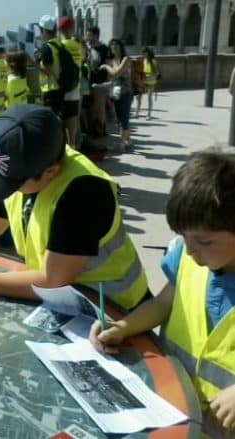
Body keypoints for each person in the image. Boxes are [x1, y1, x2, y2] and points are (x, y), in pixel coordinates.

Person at [0, 105, 149, 311]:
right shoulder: (26, 162)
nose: (7, 188)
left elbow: (53, 278)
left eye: (12, 183)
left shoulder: (85, 193)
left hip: (112, 309)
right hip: (64, 298)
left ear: (50, 171)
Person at [89, 148, 235, 438]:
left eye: (204, 241)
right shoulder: (186, 256)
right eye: (184, 236)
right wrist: (125, 326)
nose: (190, 249)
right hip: (177, 415)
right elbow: (166, 301)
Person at [99, 38, 134, 152]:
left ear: (121, 47)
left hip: (126, 93)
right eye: (112, 46)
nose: (114, 48)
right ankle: (128, 141)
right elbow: (112, 78)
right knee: (120, 119)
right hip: (116, 93)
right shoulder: (113, 60)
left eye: (116, 46)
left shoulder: (126, 59)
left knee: (124, 118)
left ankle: (122, 145)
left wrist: (106, 67)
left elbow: (116, 73)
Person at [58, 16, 82, 147]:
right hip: (75, 88)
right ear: (72, 28)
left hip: (61, 89)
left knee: (61, 128)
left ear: (60, 29)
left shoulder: (61, 45)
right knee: (72, 131)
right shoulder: (78, 46)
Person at [36, 15, 65, 116]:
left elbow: (48, 71)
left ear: (43, 31)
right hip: (60, 86)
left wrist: (33, 62)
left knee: (51, 119)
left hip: (50, 89)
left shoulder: (47, 48)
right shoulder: (59, 44)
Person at [86, 26, 110, 138]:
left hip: (101, 82)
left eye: (89, 35)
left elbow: (108, 65)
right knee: (92, 108)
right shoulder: (87, 48)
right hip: (89, 82)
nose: (87, 37)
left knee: (100, 107)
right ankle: (94, 129)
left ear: (95, 35)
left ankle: (101, 130)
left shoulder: (104, 49)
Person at [136, 47, 160, 121]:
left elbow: (157, 73)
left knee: (149, 98)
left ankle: (149, 114)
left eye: (145, 53)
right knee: (138, 97)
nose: (143, 54)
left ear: (148, 53)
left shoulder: (153, 61)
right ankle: (137, 112)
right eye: (143, 53)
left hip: (150, 81)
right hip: (143, 81)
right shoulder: (144, 60)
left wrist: (149, 75)